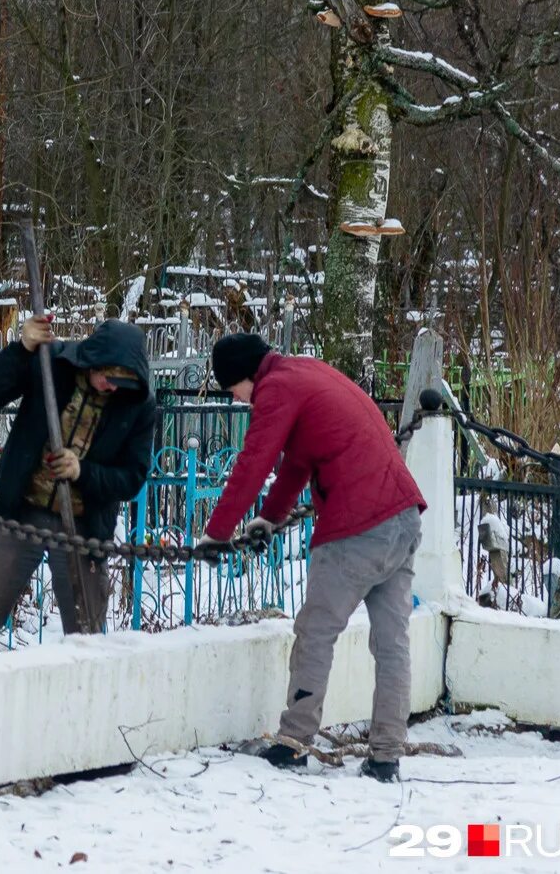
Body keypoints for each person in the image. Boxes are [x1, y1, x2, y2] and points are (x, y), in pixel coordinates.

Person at [196, 333, 426, 783]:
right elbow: (297, 462)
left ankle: (295, 742)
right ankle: (385, 756)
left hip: (357, 526)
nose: (239, 401)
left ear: (244, 376)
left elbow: (254, 462)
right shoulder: (304, 372)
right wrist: (269, 518)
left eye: (233, 391)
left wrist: (216, 533)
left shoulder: (275, 389)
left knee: (315, 633)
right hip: (403, 517)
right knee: (392, 644)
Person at [0, 318, 156, 654]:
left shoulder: (137, 405)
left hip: (83, 527)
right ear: (93, 360)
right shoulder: (53, 365)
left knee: (87, 644)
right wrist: (22, 349)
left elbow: (132, 477)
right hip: (20, 512)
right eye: (109, 377)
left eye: (123, 382)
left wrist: (83, 472)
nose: (113, 388)